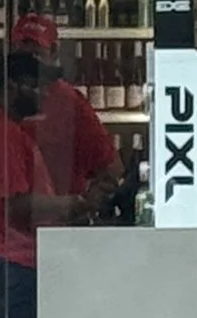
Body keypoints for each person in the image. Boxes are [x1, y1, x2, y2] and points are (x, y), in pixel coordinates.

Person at [0, 50, 91, 318]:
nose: (42, 94)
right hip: (13, 262)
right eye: (34, 85)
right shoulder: (3, 136)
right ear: (10, 86)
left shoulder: (10, 131)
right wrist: (72, 205)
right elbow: (18, 206)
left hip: (15, 258)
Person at [9, 14, 124, 220]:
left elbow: (110, 167)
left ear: (53, 53)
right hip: (11, 232)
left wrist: (83, 204)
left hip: (58, 227)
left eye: (35, 54)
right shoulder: (4, 101)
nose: (28, 63)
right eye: (22, 53)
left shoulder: (69, 101)